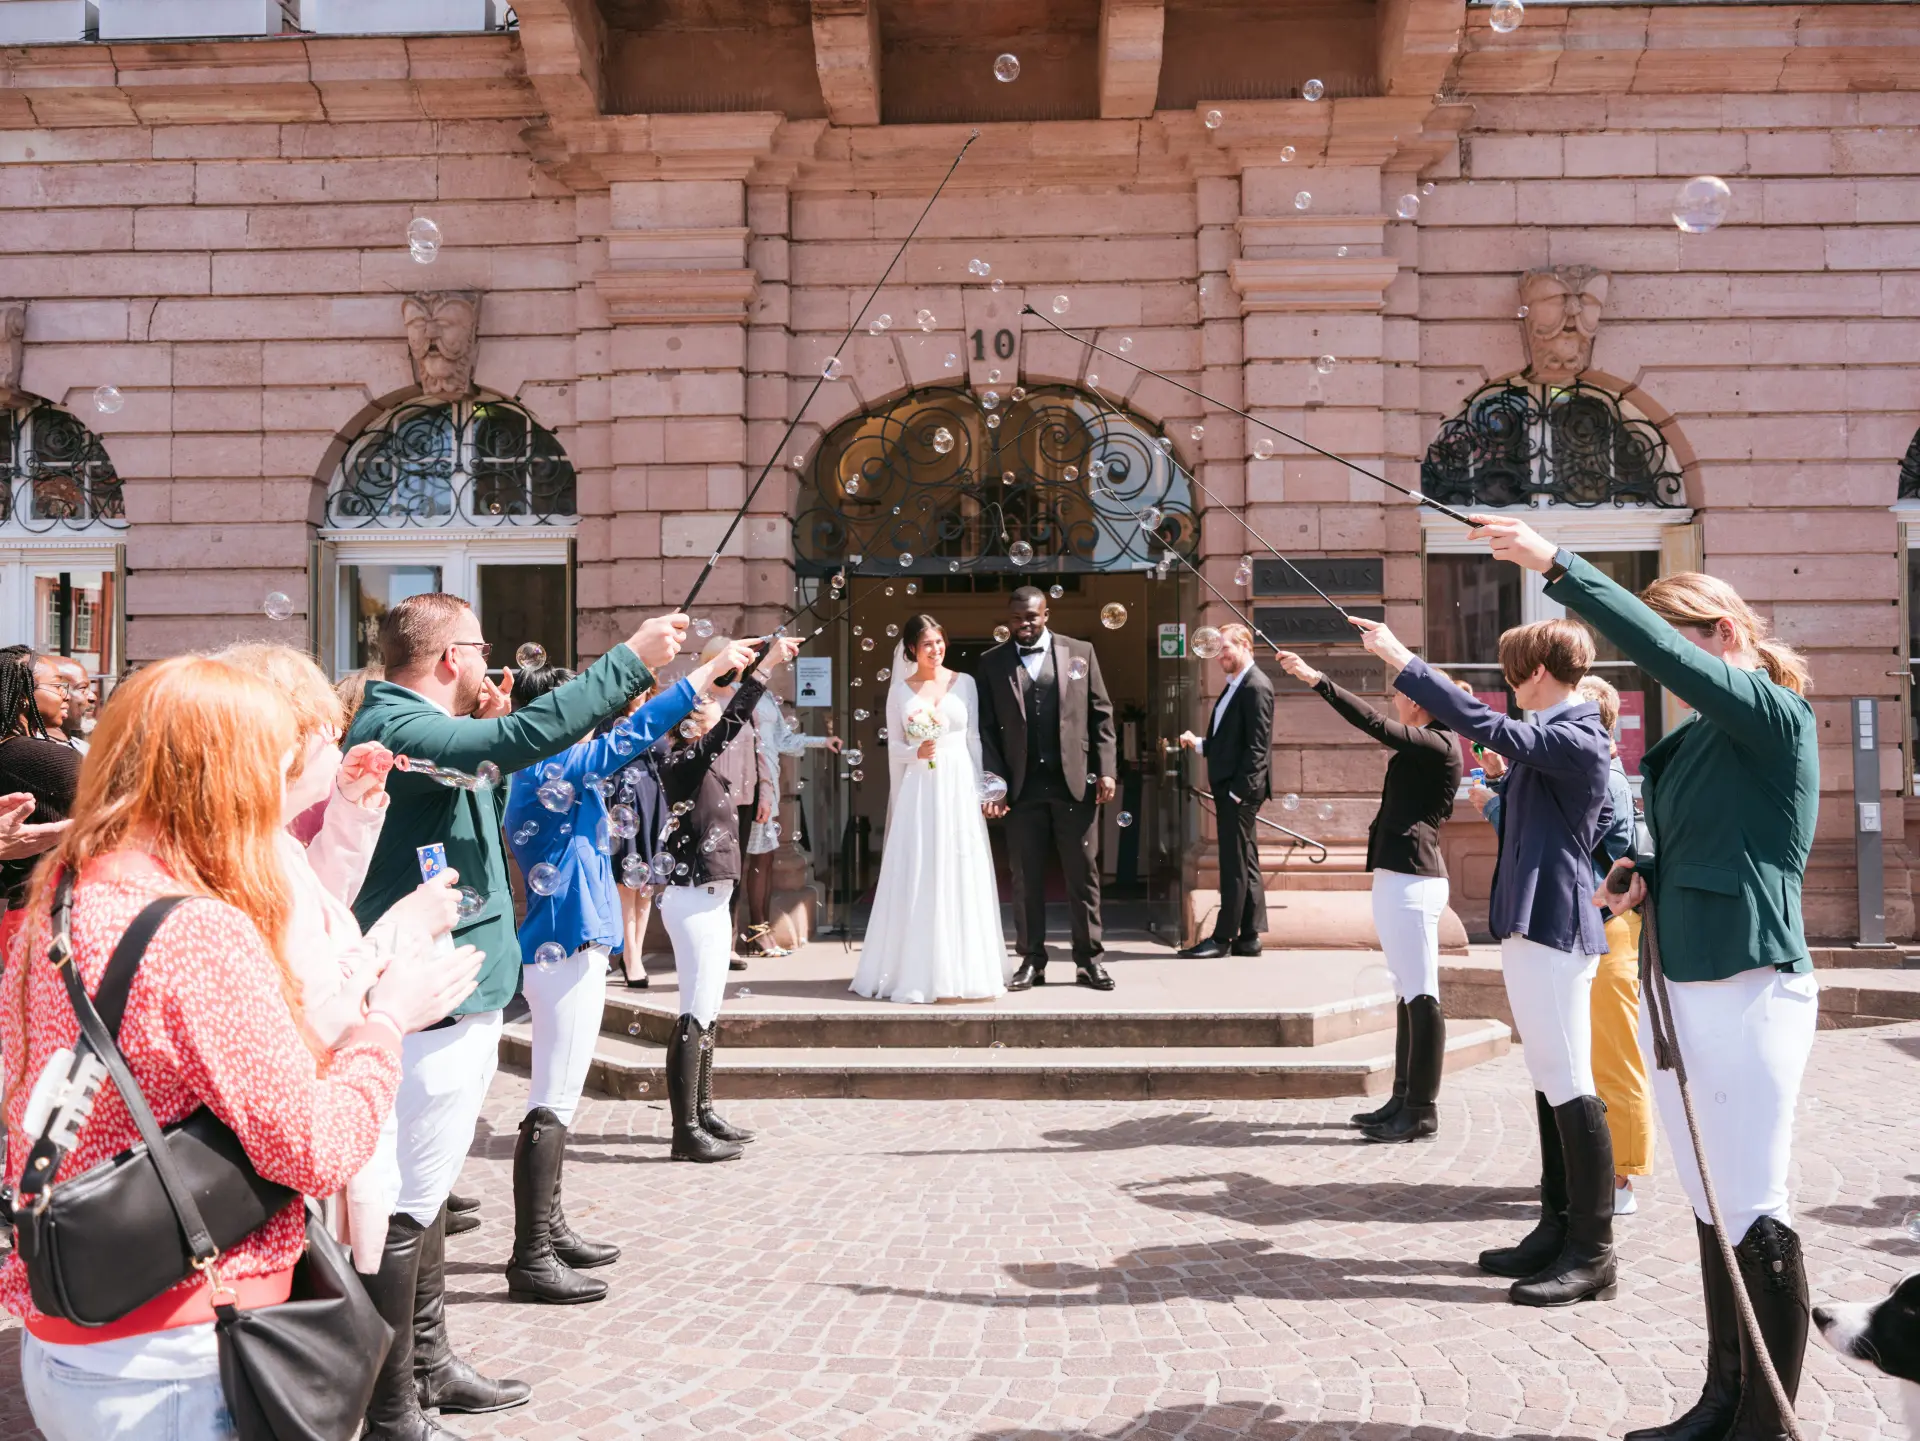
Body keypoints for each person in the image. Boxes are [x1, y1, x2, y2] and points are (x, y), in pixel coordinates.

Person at [1, 655, 480, 1441]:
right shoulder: (193, 927)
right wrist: (386, 1021)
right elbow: (316, 1147)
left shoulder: (64, 894)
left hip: (74, 1330)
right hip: (181, 1348)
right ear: (225, 777)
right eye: (274, 761)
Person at [1474, 517, 1819, 1441]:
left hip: (1748, 982)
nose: (1668, 666)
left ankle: (1767, 1424)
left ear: (1728, 636)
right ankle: (1724, 1400)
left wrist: (1557, 564)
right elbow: (1709, 844)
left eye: (1683, 639)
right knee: (1711, 1206)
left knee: (1752, 1204)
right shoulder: (1705, 738)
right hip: (1685, 985)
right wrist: (1642, 875)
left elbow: (1756, 860)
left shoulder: (1773, 715)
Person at [344, 593, 689, 1435]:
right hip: (429, 994)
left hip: (460, 988)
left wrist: (489, 727)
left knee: (424, 1200)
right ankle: (394, 1407)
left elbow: (489, 761)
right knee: (404, 1206)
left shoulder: (427, 727)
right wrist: (632, 661)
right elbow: (509, 745)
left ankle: (430, 1363)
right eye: (479, 646)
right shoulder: (392, 722)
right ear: (448, 658)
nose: (492, 660)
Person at [1355, 611, 1615, 1308]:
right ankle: (1557, 1226)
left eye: (1510, 673)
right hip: (1535, 919)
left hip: (1557, 920)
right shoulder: (1558, 734)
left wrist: (1404, 660)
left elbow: (1488, 723)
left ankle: (1592, 1252)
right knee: (1548, 1073)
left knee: (1569, 1077)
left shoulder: (1577, 730)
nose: (1506, 685)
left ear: (1534, 673)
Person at [502, 640, 755, 1303]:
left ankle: (549, 1228)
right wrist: (703, 671)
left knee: (559, 1094)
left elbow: (621, 737)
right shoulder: (544, 766)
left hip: (580, 940)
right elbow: (634, 733)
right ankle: (530, 1254)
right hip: (564, 943)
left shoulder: (549, 764)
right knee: (551, 1098)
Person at [1274, 647, 1465, 1143]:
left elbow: (1376, 725)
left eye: (1402, 693)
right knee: (1406, 992)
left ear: (1420, 704)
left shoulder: (1439, 743)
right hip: (1398, 875)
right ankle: (1402, 1099)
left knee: (1422, 993)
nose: (1395, 699)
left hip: (1414, 881)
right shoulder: (1427, 743)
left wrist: (1317, 679)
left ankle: (1421, 1109)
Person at [654, 635, 802, 1162]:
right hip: (691, 897)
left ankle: (705, 1109)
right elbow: (733, 721)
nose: (720, 720)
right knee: (693, 1011)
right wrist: (764, 671)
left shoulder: (701, 762)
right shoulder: (681, 760)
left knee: (709, 1009)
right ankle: (685, 1129)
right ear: (694, 722)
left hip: (712, 896)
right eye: (711, 712)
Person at [852, 615, 1012, 1004]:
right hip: (921, 787)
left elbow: (974, 737)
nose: (935, 650)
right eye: (927, 645)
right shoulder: (900, 692)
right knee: (922, 868)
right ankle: (917, 969)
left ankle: (967, 968)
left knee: (961, 868)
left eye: (940, 643)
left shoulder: (966, 684)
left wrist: (983, 790)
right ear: (911, 649)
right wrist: (915, 751)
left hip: (958, 784)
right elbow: (893, 749)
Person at [975, 586, 1118, 991]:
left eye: (1031, 617)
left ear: (1046, 614)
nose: (1023, 624)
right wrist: (994, 786)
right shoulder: (991, 662)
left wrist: (1106, 769)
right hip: (1021, 790)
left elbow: (1101, 715)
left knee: (1082, 876)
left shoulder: (1080, 651)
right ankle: (1031, 961)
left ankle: (1089, 961)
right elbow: (985, 730)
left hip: (1075, 783)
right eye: (1017, 618)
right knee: (1025, 878)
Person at [1575, 673, 1654, 1219]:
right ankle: (1601, 1169)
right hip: (1596, 923)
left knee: (1616, 1055)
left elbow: (1609, 856)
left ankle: (1621, 1177)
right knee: (1593, 1055)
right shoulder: (1597, 769)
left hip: (1610, 924)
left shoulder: (1602, 774)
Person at [1175, 624, 1275, 959]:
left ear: (1246, 645)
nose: (1220, 656)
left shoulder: (1256, 686)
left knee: (1233, 864)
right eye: (1217, 650)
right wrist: (1201, 744)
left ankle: (1221, 939)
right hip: (1233, 787)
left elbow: (1258, 748)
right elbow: (1231, 741)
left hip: (1239, 792)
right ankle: (1249, 936)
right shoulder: (1236, 685)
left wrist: (1238, 792)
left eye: (1225, 649)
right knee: (1246, 861)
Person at [742, 688, 840, 958]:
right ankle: (754, 931)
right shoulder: (737, 691)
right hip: (747, 782)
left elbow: (783, 739)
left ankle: (759, 929)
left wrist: (823, 741)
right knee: (748, 858)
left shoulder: (764, 694)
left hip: (768, 781)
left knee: (766, 856)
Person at [0, 647, 82, 922]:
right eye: (58, 685)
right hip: (54, 913)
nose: (65, 694)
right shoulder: (43, 757)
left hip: (24, 912)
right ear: (24, 696)